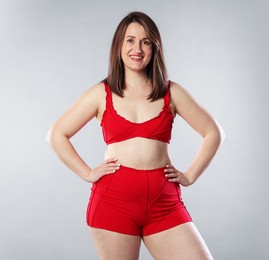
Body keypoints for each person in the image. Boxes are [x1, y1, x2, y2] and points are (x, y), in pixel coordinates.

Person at [46, 11, 224, 260]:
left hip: (164, 203)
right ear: (119, 45)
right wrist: (87, 173)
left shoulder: (172, 92)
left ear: (154, 47)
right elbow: (57, 134)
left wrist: (190, 175)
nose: (137, 48)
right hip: (113, 201)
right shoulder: (101, 93)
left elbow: (213, 132)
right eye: (130, 40)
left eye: (145, 41)